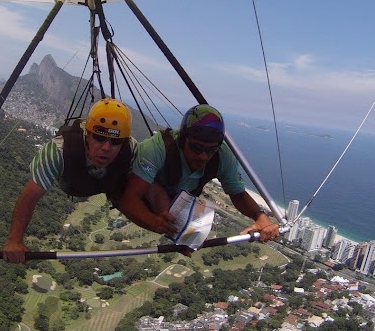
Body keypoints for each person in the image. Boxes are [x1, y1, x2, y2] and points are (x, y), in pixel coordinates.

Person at [118, 104, 279, 244]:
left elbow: (237, 193)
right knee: (158, 193)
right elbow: (129, 199)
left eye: (210, 150)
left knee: (193, 226)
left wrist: (259, 216)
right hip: (145, 193)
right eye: (196, 148)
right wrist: (154, 223)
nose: (203, 156)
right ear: (182, 140)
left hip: (180, 199)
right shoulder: (157, 148)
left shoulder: (222, 155)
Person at [2, 98, 134, 263]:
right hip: (73, 183)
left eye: (115, 141)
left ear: (124, 141)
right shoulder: (58, 152)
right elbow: (30, 197)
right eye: (99, 138)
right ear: (88, 134)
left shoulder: (130, 149)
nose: (106, 147)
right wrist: (14, 240)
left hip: (106, 183)